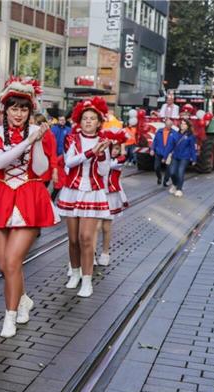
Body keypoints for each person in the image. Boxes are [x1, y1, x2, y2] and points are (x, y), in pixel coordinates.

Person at [0, 77, 57, 338]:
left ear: (30, 111)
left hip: (29, 197)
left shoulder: (38, 132)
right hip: (2, 197)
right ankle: (23, 300)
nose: (19, 113)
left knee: (12, 261)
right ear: (5, 110)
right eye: (14, 108)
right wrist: (28, 141)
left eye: (23, 109)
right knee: (3, 265)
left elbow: (41, 169)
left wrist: (37, 142)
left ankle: (9, 316)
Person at [56, 96, 113, 298]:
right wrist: (90, 152)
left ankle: (87, 281)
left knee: (86, 238)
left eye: (92, 119)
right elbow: (69, 163)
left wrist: (102, 154)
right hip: (72, 191)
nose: (88, 121)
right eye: (85, 118)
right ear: (79, 121)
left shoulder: (104, 142)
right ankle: (75, 273)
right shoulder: (72, 139)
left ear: (99, 122)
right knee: (73, 239)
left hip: (93, 192)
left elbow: (104, 171)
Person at [100, 128, 129, 265]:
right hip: (98, 194)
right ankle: (91, 253)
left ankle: (105, 253)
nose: (114, 151)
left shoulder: (120, 160)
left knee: (106, 227)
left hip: (111, 196)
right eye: (112, 148)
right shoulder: (101, 157)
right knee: (94, 227)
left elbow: (108, 165)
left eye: (117, 148)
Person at [169, 119, 197, 198]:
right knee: (172, 172)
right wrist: (165, 155)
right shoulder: (176, 134)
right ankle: (174, 184)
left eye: (184, 124)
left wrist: (194, 159)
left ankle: (179, 189)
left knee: (180, 172)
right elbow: (171, 145)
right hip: (175, 156)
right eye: (181, 123)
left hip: (185, 157)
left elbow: (192, 148)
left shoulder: (190, 136)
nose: (182, 125)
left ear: (188, 126)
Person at [151, 119, 178, 188]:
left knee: (168, 168)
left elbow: (176, 144)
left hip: (168, 153)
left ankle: (166, 180)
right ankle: (159, 177)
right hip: (159, 152)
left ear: (172, 125)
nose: (168, 126)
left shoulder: (174, 133)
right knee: (156, 167)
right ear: (165, 124)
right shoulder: (159, 132)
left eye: (170, 125)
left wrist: (173, 152)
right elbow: (155, 141)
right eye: (167, 125)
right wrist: (152, 149)